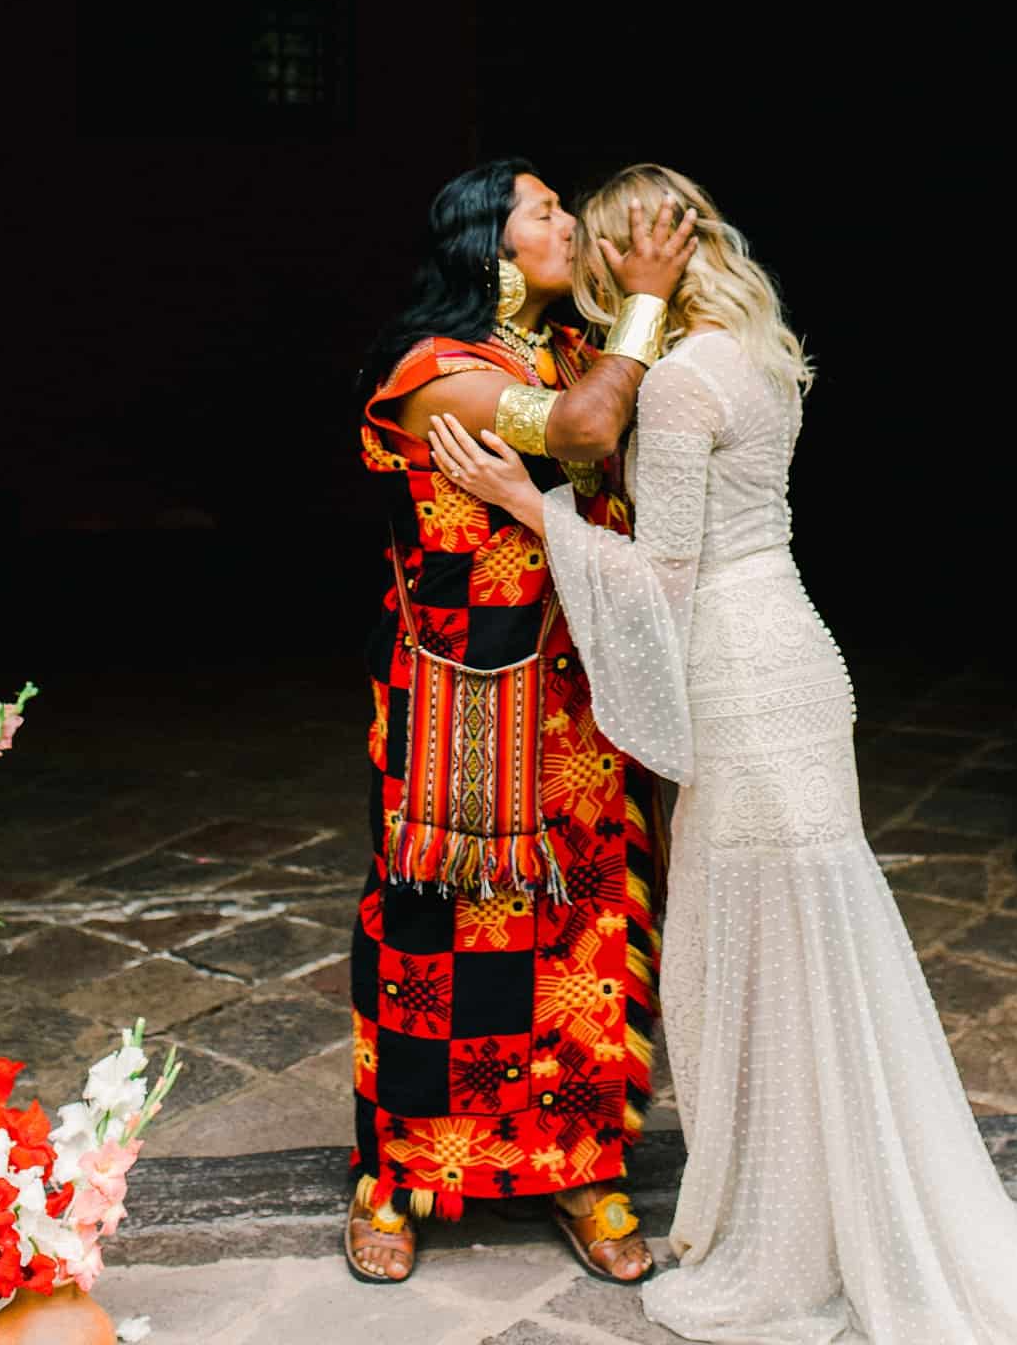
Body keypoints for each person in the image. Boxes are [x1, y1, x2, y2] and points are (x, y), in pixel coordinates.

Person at [430, 162, 1017, 1345]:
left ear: (636, 260)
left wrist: (534, 510)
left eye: (598, 249)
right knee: (810, 948)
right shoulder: (758, 356)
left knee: (757, 954)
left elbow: (662, 582)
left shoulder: (676, 386)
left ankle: (791, 1231)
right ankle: (837, 1201)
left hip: (738, 671)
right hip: (794, 656)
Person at [346, 157, 696, 1286]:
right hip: (453, 701)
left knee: (584, 935)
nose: (568, 226)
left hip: (573, 707)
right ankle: (399, 1175)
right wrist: (645, 295)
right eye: (545, 212)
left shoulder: (575, 352)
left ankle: (584, 1169)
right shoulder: (434, 371)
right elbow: (588, 434)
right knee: (436, 947)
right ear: (485, 243)